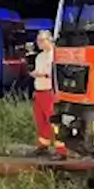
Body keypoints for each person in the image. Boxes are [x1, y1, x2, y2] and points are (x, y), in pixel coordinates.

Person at [31, 29, 67, 160]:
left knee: (53, 120)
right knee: (40, 120)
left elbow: (56, 75)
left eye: (41, 40)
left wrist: (43, 75)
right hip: (39, 91)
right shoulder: (39, 57)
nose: (38, 43)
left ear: (49, 40)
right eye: (38, 40)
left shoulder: (56, 55)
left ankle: (61, 149)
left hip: (50, 91)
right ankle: (43, 145)